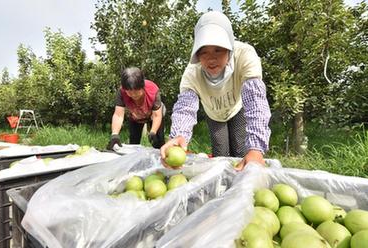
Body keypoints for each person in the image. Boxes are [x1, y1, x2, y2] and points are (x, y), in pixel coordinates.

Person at [160, 11, 271, 170]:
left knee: (241, 149)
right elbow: (185, 109)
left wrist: (256, 149)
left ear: (229, 48)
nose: (211, 58)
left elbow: (256, 101)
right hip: (213, 113)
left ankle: (238, 188)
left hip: (236, 108)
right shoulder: (192, 73)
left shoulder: (245, 56)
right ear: (197, 54)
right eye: (204, 52)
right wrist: (179, 135)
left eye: (218, 49)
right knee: (221, 153)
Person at [107, 67, 165, 150]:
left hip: (153, 115)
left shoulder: (153, 90)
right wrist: (114, 134)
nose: (133, 95)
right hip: (135, 117)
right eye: (129, 92)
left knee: (158, 143)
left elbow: (157, 115)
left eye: (136, 91)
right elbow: (118, 115)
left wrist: (153, 132)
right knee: (133, 143)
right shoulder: (121, 92)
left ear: (142, 86)